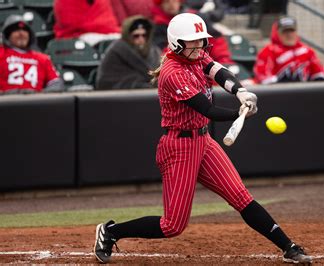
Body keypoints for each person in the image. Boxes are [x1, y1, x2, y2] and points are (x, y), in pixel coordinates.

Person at [93, 13, 312, 264]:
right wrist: (239, 113)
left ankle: (288, 247)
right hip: (179, 147)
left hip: (203, 141)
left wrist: (240, 92)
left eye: (200, 40)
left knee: (241, 197)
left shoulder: (195, 55)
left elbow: (219, 72)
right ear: (177, 43)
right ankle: (110, 232)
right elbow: (206, 109)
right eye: (193, 41)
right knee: (172, 225)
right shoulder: (172, 72)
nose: (199, 45)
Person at [152, 0, 234, 64]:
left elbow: (216, 41)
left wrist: (223, 62)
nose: (171, 4)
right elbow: (162, 53)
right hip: (179, 64)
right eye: (166, 1)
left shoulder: (196, 17)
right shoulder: (158, 25)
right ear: (161, 4)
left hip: (205, 61)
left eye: (174, 0)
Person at [253, 16, 324, 85]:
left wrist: (320, 78)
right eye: (285, 31)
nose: (289, 34)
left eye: (291, 31)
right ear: (277, 34)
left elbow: (320, 71)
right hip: (279, 93)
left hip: (305, 91)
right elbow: (263, 75)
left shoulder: (307, 50)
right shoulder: (268, 51)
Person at [0, 15, 63, 94]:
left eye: (25, 30)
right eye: (15, 30)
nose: (21, 33)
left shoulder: (42, 58)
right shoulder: (2, 53)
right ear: (7, 35)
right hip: (6, 102)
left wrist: (41, 95)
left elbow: (56, 84)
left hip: (35, 103)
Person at [96, 16, 161, 90]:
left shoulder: (154, 51)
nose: (141, 39)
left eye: (144, 35)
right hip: (120, 95)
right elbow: (106, 81)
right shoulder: (117, 50)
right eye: (136, 36)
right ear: (128, 36)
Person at [53, 0, 121, 47]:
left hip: (107, 33)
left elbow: (109, 21)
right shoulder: (65, 1)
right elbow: (70, 24)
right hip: (76, 37)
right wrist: (100, 26)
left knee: (126, 40)